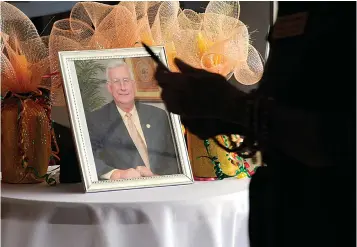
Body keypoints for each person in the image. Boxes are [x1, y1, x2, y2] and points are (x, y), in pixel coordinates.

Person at [153, 2, 355, 247]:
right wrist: (213, 115)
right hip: (281, 210)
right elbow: (287, 101)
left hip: (333, 215)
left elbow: (334, 141)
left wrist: (232, 105)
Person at [86, 60, 179, 180]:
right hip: (124, 191)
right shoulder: (96, 119)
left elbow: (173, 157)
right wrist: (117, 174)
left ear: (133, 84)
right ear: (109, 87)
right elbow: (89, 157)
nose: (123, 87)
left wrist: (158, 178)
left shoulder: (158, 115)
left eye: (126, 80)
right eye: (116, 82)